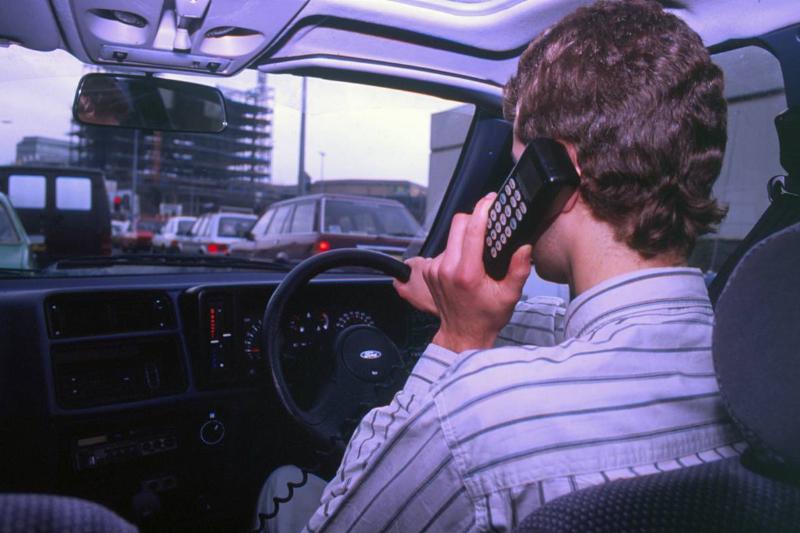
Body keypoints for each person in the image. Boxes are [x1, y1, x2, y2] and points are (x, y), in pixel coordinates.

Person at [254, 0, 742, 530]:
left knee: (282, 483)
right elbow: (588, 332)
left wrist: (457, 341)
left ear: (560, 173)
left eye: (516, 168)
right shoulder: (752, 363)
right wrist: (458, 303)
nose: (508, 189)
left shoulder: (483, 416)